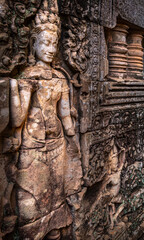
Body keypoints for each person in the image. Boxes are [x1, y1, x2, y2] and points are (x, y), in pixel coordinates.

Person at [9, 5, 76, 239]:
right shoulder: (28, 76)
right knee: (30, 206)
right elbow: (17, 119)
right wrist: (14, 87)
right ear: (33, 44)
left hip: (58, 146)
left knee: (57, 197)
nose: (50, 49)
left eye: (53, 43)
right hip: (32, 147)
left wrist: (72, 135)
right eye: (45, 43)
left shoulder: (60, 79)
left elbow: (66, 118)